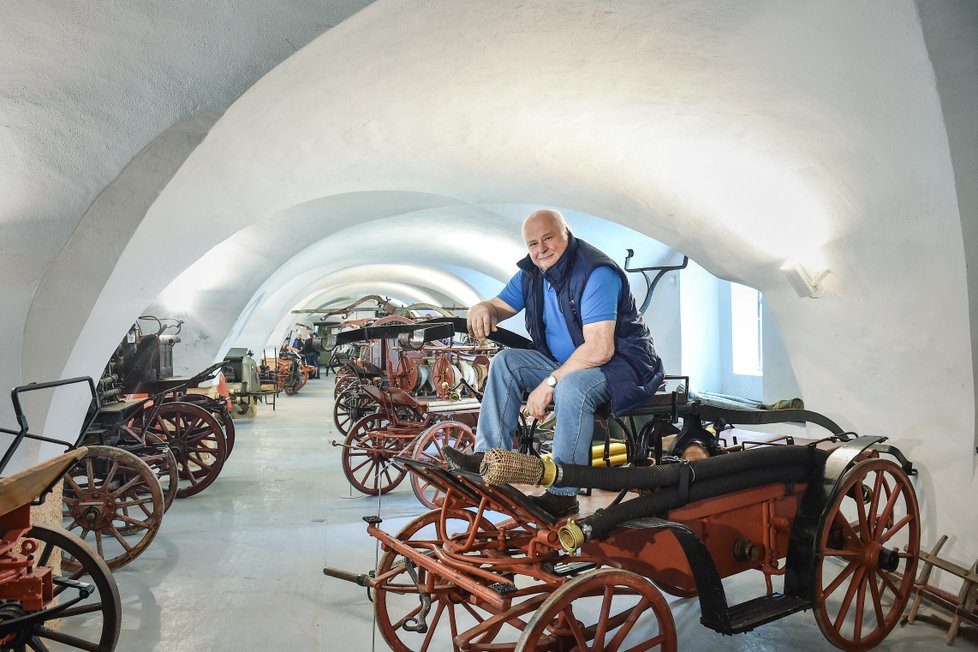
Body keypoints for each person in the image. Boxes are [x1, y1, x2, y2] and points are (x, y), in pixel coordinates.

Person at [444, 209, 664, 518]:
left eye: (548, 238)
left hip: (622, 364)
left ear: (566, 234)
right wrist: (481, 307)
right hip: (566, 360)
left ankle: (563, 495)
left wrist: (549, 384)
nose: (540, 249)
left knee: (570, 388)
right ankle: (489, 458)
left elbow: (600, 349)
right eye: (532, 243)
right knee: (505, 362)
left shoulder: (596, 272)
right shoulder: (531, 273)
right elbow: (498, 305)